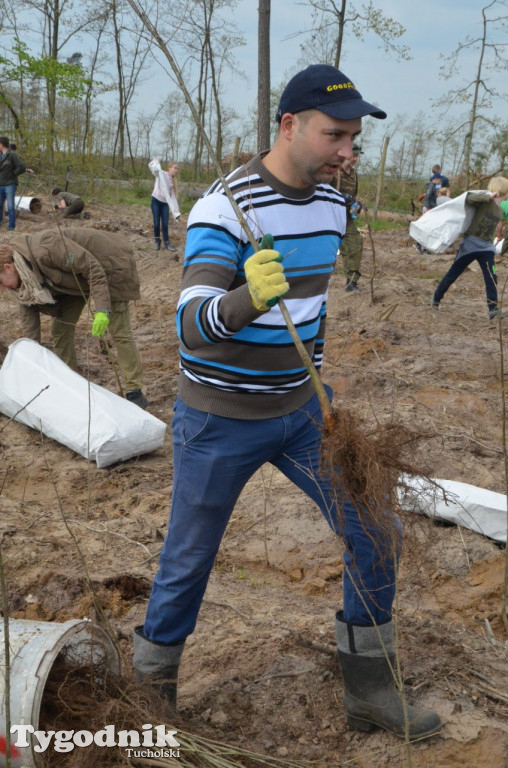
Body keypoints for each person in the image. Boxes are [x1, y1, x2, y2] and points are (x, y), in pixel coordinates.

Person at [133, 64, 442, 740]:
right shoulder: (227, 205)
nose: (346, 152)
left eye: (354, 138)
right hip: (219, 419)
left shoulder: (334, 205)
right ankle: (148, 705)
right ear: (289, 125)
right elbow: (188, 323)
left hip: (303, 411)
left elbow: (315, 312)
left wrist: (320, 387)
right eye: (335, 135)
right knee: (188, 562)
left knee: (374, 529)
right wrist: (246, 299)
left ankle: (370, 693)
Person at [0, 227, 149, 408]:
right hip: (74, 278)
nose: (2, 288)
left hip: (109, 265)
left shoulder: (45, 249)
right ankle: (71, 384)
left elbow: (93, 269)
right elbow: (29, 316)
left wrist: (102, 309)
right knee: (60, 329)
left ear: (8, 267)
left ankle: (135, 390)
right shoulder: (24, 279)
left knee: (118, 330)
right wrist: (31, 356)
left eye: (0, 282)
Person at [432, 176, 508, 319]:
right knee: (453, 273)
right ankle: (436, 298)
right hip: (470, 246)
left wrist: (498, 235)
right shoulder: (484, 201)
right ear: (504, 191)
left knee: (492, 277)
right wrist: (488, 196)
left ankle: (493, 309)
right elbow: (468, 197)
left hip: (486, 248)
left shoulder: (500, 211)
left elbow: (496, 224)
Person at [334, 143, 364, 291]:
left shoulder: (353, 174)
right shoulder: (334, 172)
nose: (355, 159)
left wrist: (357, 204)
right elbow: (322, 191)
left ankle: (351, 283)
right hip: (330, 217)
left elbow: (354, 194)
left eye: (357, 156)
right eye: (353, 155)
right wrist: (340, 197)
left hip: (347, 218)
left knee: (355, 244)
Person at [149, 159, 180, 253]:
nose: (176, 170)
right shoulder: (161, 174)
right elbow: (151, 166)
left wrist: (177, 211)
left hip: (165, 204)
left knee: (165, 224)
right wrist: (156, 161)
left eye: (177, 169)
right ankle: (157, 242)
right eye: (175, 168)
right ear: (169, 168)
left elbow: (173, 198)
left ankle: (167, 244)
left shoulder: (172, 182)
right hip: (155, 201)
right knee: (156, 223)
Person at [0, 137, 27, 231]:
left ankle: (11, 227)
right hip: (1, 184)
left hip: (10, 185)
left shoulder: (12, 154)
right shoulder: (1, 156)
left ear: (1, 144)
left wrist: (13, 174)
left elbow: (21, 167)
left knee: (10, 206)